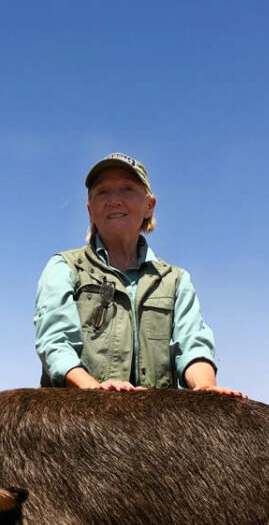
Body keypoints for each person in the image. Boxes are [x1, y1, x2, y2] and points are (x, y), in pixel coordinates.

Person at [34, 152, 242, 396]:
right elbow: (55, 342)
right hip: (80, 418)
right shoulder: (64, 267)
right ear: (90, 209)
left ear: (149, 205)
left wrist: (205, 386)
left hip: (153, 422)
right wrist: (94, 390)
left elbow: (193, 345)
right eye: (103, 192)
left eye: (127, 189)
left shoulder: (175, 280)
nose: (115, 201)